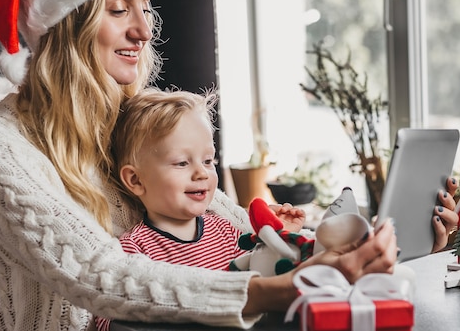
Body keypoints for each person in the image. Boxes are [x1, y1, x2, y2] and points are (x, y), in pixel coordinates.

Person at [0, 0, 458, 330]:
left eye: (144, 6)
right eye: (117, 8)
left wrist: (370, 245)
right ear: (68, 26)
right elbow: (98, 273)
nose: (143, 28)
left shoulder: (133, 123)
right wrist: (272, 290)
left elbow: (232, 225)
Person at [94, 87, 308, 331]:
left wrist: (280, 238)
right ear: (135, 180)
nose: (201, 173)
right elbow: (109, 316)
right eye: (182, 163)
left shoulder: (229, 233)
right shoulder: (133, 251)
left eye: (209, 161)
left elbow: (270, 280)